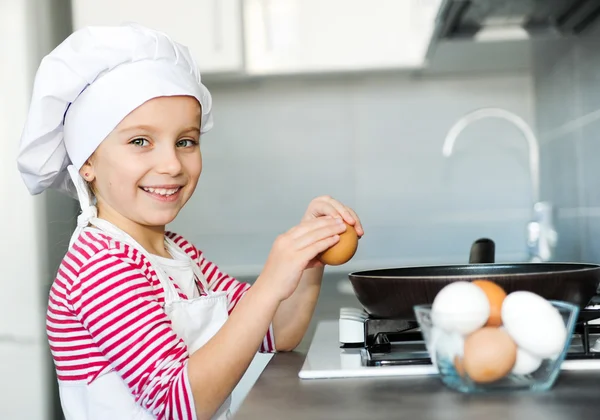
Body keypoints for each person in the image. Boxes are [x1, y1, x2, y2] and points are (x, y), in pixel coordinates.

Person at [16, 23, 364, 420]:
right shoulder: (100, 267)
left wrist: (307, 260)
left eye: (186, 141)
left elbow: (275, 334)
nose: (171, 164)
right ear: (88, 161)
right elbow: (178, 405)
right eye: (140, 141)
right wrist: (269, 284)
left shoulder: (176, 253)